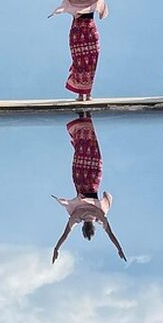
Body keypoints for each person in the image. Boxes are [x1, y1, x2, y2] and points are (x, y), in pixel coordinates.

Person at [51, 113, 126, 264]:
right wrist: (56, 248)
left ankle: (87, 121)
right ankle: (82, 122)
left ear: (93, 227)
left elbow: (111, 235)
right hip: (80, 180)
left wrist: (119, 248)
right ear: (83, 228)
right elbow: (65, 234)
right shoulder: (76, 217)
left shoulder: (100, 216)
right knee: (80, 152)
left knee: (93, 153)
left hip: (93, 180)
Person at [46, 0, 119, 101]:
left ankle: (80, 93)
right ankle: (89, 93)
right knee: (91, 61)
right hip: (90, 30)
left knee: (79, 61)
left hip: (77, 32)